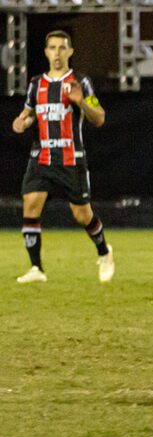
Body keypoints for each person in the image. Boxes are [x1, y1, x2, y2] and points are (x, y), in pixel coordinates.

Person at [11, 30, 115, 284]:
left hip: (71, 157)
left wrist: (82, 102)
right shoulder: (36, 83)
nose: (57, 53)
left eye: (62, 48)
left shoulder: (81, 82)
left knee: (82, 215)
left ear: (70, 52)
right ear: (46, 52)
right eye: (52, 48)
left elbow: (99, 117)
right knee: (31, 204)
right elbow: (29, 113)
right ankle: (36, 268)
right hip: (42, 156)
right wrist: (22, 121)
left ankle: (104, 252)